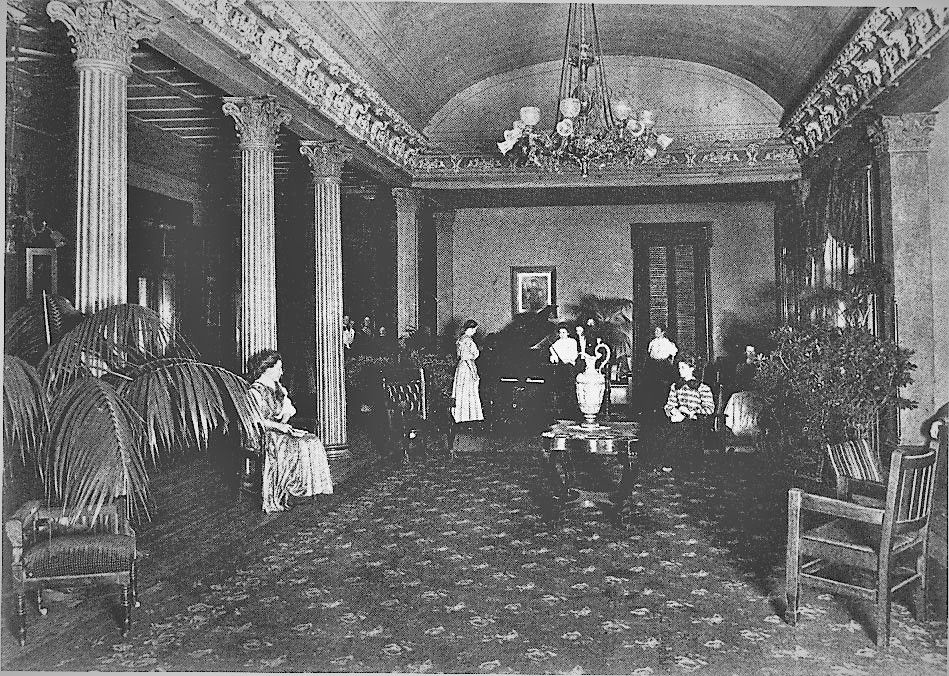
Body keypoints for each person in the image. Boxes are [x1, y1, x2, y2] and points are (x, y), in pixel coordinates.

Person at [246, 350, 333, 513]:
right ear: (267, 369)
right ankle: (286, 492)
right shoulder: (255, 391)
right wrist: (279, 427)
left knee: (311, 440)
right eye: (279, 368)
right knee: (294, 446)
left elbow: (288, 408)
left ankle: (306, 490)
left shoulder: (278, 388)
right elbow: (255, 420)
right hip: (263, 434)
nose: (281, 372)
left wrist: (284, 422)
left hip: (279, 429)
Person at [662, 351, 715, 472]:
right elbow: (669, 405)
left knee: (684, 428)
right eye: (679, 367)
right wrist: (674, 411)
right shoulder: (675, 386)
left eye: (683, 367)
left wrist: (690, 412)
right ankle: (671, 461)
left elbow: (709, 409)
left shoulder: (703, 388)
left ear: (692, 368)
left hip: (697, 421)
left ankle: (682, 463)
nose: (680, 370)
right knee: (671, 427)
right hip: (679, 419)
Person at [452, 320, 484, 424]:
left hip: (461, 367)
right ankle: (467, 417)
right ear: (470, 329)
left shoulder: (461, 339)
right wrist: (474, 373)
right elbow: (467, 358)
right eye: (474, 329)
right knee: (467, 390)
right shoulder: (467, 340)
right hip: (467, 367)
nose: (475, 332)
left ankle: (463, 416)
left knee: (463, 391)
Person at [549, 323, 579, 419]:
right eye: (560, 332)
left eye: (564, 332)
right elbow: (553, 353)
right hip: (561, 367)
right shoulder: (557, 343)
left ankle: (572, 411)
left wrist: (568, 359)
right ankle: (563, 411)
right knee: (562, 388)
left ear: (568, 333)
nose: (562, 334)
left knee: (570, 388)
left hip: (570, 367)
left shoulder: (572, 341)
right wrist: (553, 356)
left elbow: (574, 354)